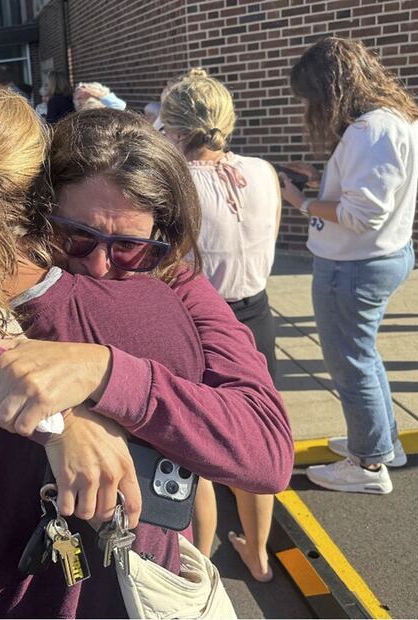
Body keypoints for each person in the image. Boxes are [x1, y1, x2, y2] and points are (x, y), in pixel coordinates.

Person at [0, 85, 292, 616]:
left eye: (131, 247)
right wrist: (57, 415)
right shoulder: (163, 313)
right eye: (75, 237)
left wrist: (102, 370)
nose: (99, 265)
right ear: (38, 199)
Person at [280, 37, 418, 495]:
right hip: (380, 257)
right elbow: (375, 192)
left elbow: (361, 216)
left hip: (354, 266)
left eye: (311, 97)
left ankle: (366, 466)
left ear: (330, 88)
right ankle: (380, 443)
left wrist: (301, 201)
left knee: (351, 365)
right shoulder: (398, 119)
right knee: (365, 358)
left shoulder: (368, 131)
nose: (311, 107)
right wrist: (326, 180)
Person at [160, 72, 282, 581]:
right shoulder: (263, 170)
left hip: (203, 319)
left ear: (179, 128)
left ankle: (199, 562)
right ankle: (257, 554)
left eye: (165, 124)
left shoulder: (178, 182)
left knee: (200, 449)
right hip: (257, 311)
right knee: (253, 440)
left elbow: (170, 262)